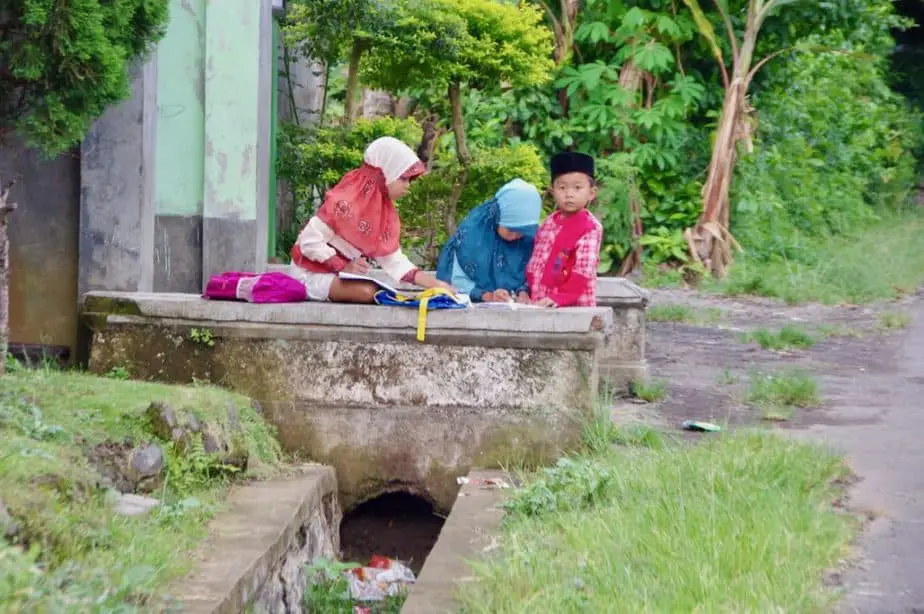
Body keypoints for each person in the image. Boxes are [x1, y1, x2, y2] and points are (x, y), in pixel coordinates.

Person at [289, 137, 454, 303]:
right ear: (385, 174)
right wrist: (343, 266)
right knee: (370, 292)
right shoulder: (345, 202)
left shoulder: (383, 212)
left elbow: (394, 261)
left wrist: (436, 284)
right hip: (308, 274)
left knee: (376, 292)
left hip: (336, 277)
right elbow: (309, 241)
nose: (407, 186)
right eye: (403, 178)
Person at [435, 178, 542, 303]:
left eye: (523, 231)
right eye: (511, 230)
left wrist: (523, 292)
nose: (517, 236)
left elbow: (533, 272)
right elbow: (455, 281)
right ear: (498, 217)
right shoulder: (472, 236)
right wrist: (488, 296)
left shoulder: (528, 240)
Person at [525, 151, 603, 308]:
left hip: (574, 307)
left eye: (577, 188)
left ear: (591, 193)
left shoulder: (590, 227)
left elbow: (583, 269)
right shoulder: (548, 223)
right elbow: (535, 262)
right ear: (553, 191)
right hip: (540, 302)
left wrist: (560, 298)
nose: (569, 194)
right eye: (562, 187)